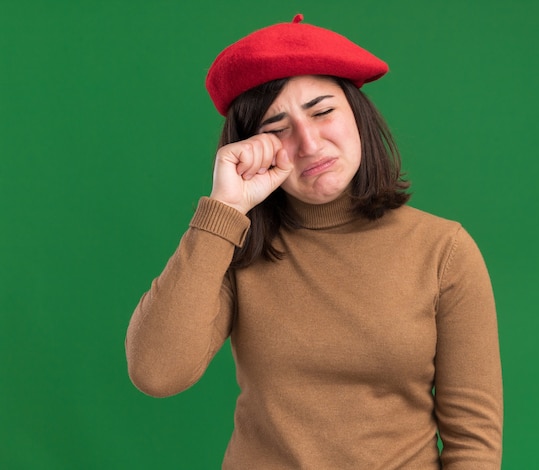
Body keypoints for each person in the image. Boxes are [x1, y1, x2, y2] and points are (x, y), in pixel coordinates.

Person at [125, 14, 503, 469]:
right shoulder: (234, 247)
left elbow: (473, 444)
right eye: (277, 126)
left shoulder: (445, 250)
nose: (308, 142)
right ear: (252, 146)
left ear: (358, 117)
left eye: (323, 111)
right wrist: (223, 210)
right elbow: (156, 372)